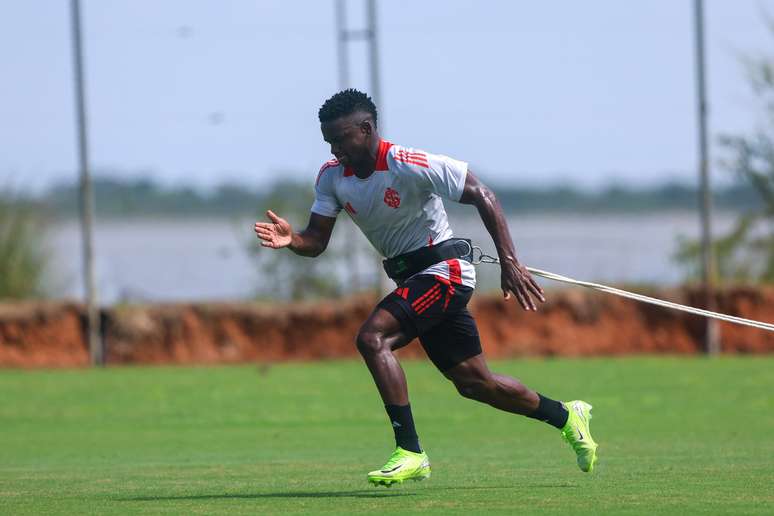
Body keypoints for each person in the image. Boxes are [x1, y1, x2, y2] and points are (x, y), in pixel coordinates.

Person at [254, 89, 598, 486]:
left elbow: (483, 194)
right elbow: (315, 241)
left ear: (366, 129)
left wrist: (510, 262)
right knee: (475, 383)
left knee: (372, 339)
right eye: (329, 141)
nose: (335, 150)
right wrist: (292, 239)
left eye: (341, 139)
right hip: (414, 282)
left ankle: (411, 451)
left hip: (444, 273)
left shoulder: (407, 163)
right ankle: (566, 416)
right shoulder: (332, 177)